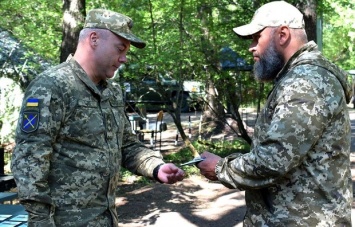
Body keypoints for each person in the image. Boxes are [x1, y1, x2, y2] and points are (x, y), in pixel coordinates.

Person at [11, 9, 184, 226]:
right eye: (120, 49)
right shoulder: (52, 86)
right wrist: (40, 221)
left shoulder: (112, 92)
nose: (124, 58)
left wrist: (156, 167)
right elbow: (29, 159)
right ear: (94, 39)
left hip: (106, 219)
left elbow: (127, 146)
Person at [196, 1, 353, 226]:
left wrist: (220, 168)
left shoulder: (305, 81)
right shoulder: (298, 77)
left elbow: (274, 159)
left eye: (256, 37)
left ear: (282, 34)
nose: (251, 47)